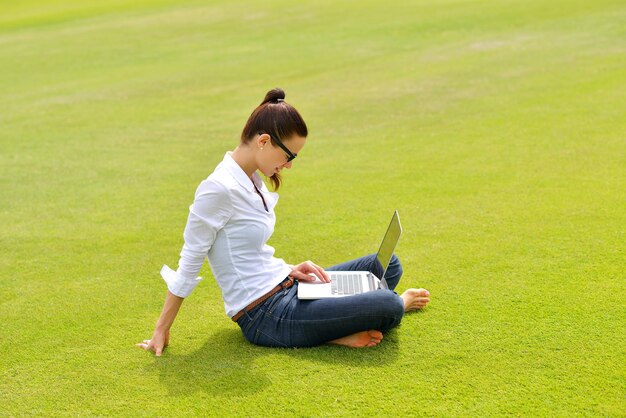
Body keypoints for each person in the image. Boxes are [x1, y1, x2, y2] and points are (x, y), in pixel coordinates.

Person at [137, 88, 430, 355]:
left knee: (387, 265)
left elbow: (246, 252)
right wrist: (161, 329)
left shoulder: (251, 178)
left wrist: (290, 270)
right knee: (390, 304)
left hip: (287, 285)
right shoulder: (218, 189)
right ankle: (339, 328)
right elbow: (189, 261)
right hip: (265, 313)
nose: (289, 164)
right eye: (289, 155)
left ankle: (332, 325)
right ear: (264, 141)